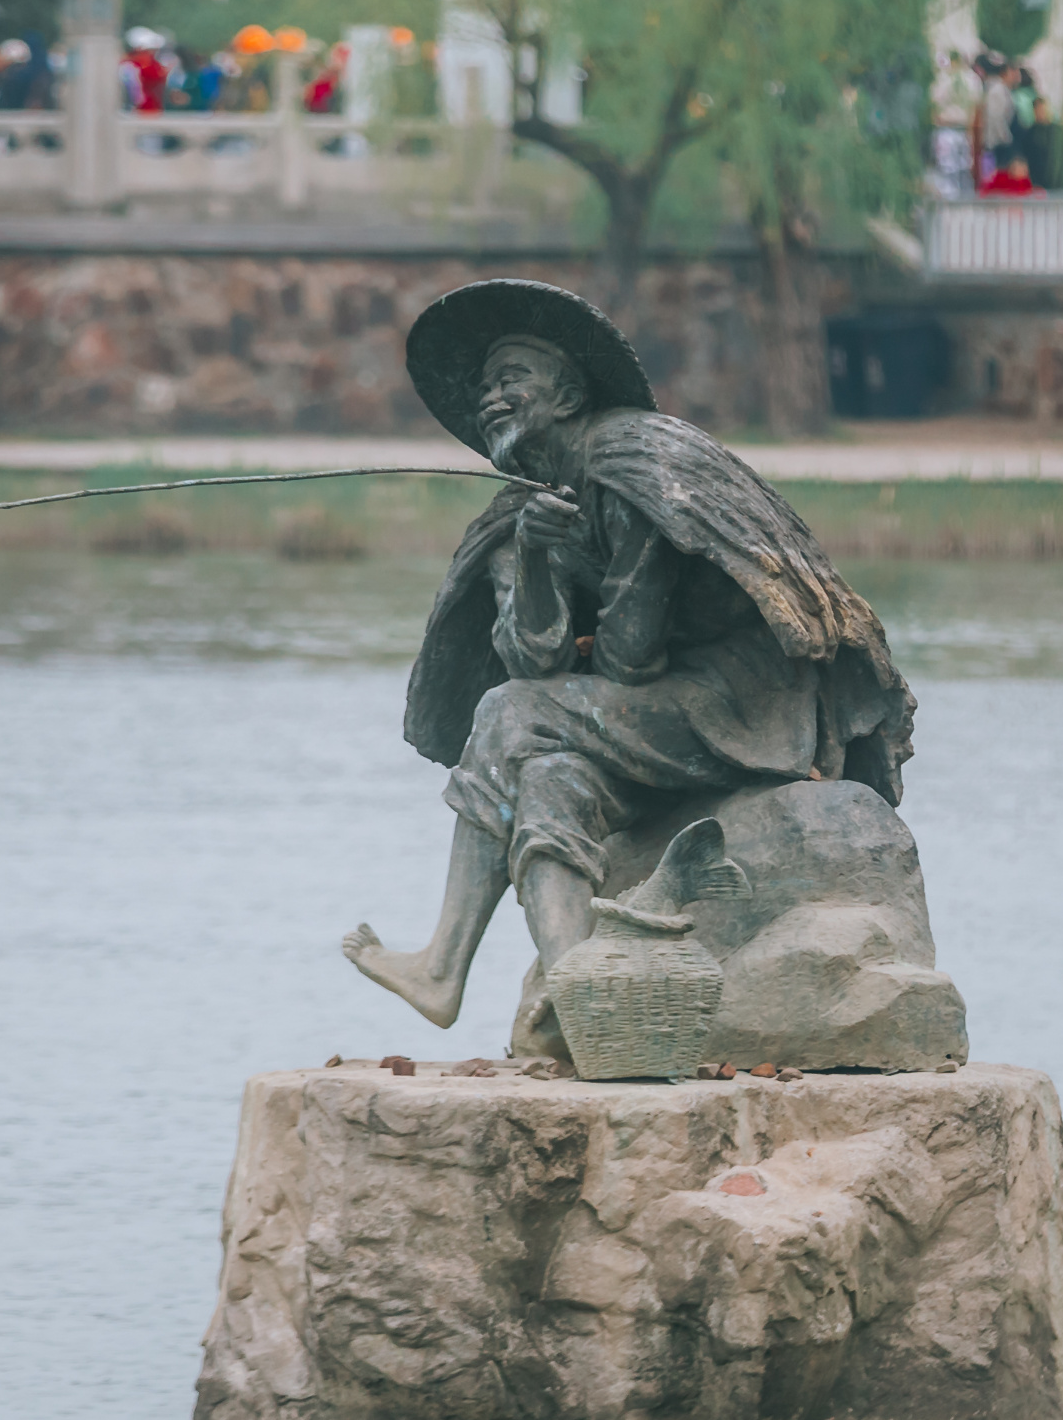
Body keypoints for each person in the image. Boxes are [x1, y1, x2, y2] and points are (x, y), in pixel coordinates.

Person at [339, 279, 914, 1043]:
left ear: (570, 394)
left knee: (509, 716)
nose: (492, 397)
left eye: (513, 379)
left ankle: (446, 957)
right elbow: (533, 658)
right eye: (484, 387)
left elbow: (629, 660)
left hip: (737, 709)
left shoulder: (631, 460)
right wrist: (537, 559)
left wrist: (576, 656)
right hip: (650, 721)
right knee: (547, 775)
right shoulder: (522, 508)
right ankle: (584, 1000)